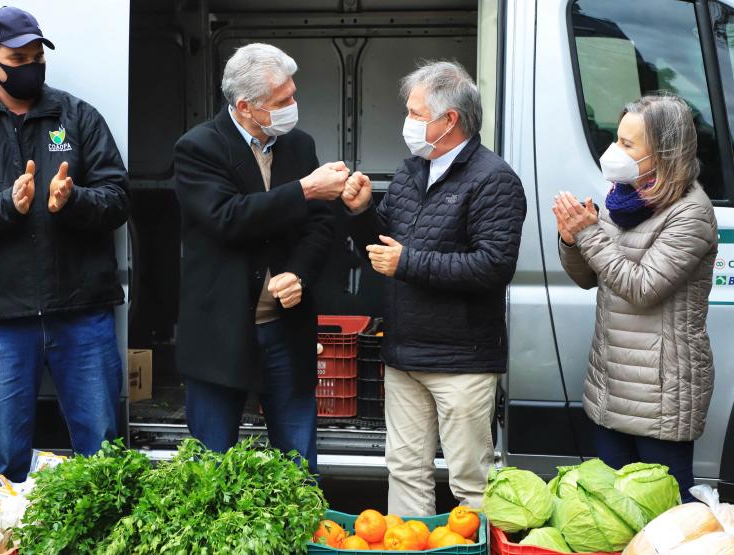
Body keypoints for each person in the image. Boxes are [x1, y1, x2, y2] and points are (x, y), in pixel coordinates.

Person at [0, 6, 129, 483]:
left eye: (38, 55)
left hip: (82, 313)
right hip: (0, 320)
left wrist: (73, 201)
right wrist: (6, 206)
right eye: (18, 57)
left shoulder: (77, 117)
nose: (30, 65)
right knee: (3, 461)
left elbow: (118, 199)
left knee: (102, 458)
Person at [342, 60, 527, 512]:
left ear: (450, 121)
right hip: (404, 354)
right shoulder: (410, 171)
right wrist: (363, 212)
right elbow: (384, 249)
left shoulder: (494, 179)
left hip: (461, 361)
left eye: (415, 113)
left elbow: (492, 266)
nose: (408, 122)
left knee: (471, 481)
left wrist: (409, 262)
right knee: (405, 471)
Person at [173, 43, 346, 471]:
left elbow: (321, 224)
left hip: (286, 329)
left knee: (298, 466)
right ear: (245, 106)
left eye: (292, 93)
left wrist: (299, 275)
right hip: (220, 331)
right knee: (211, 472)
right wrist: (305, 190)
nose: (293, 106)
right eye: (282, 100)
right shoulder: (198, 148)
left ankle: (299, 538)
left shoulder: (298, 145)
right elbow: (226, 218)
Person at [554, 94, 717, 500]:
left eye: (628, 144)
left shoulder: (691, 213)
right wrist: (571, 238)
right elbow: (589, 278)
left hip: (660, 393)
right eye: (616, 138)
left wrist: (589, 234)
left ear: (664, 152)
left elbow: (642, 288)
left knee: (659, 519)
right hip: (611, 383)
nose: (615, 151)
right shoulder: (621, 200)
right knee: (612, 513)